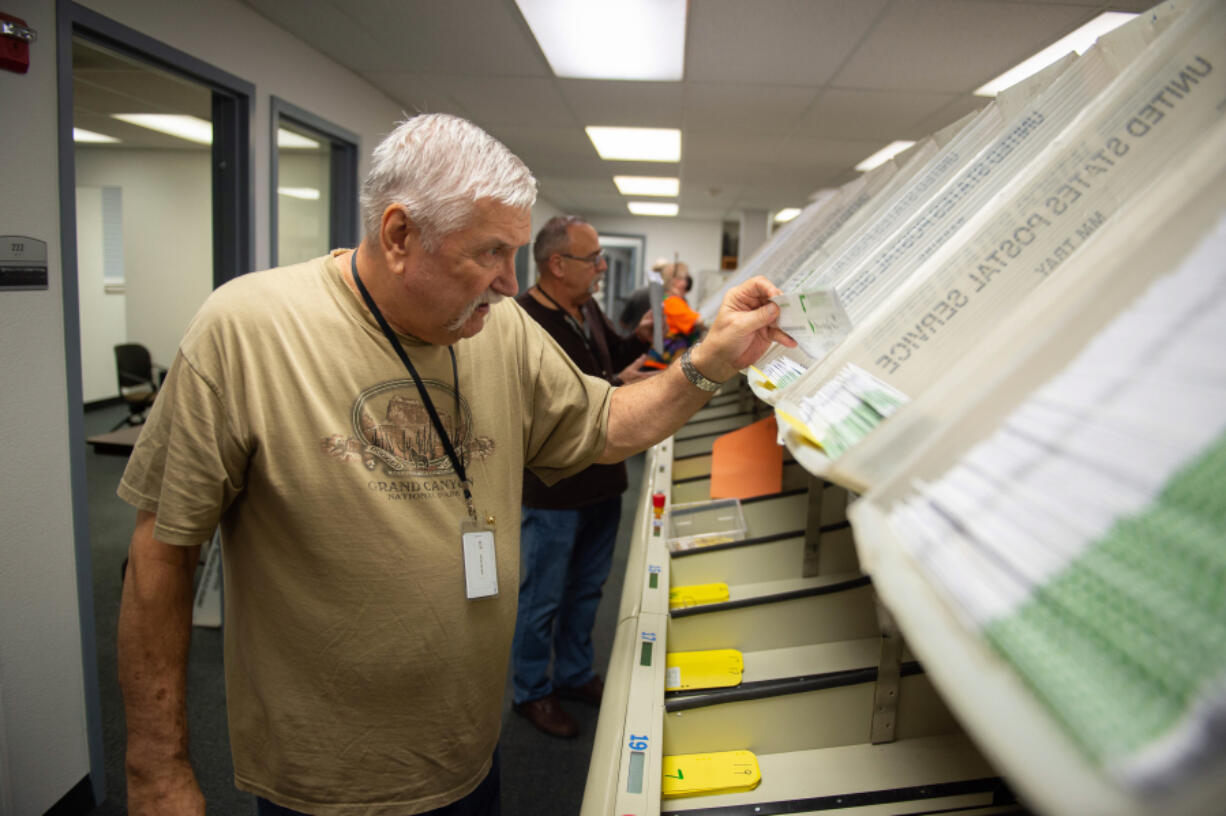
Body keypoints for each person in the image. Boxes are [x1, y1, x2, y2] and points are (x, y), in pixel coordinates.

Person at [116, 112, 794, 816]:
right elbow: (163, 549)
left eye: (517, 253)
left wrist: (708, 361)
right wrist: (155, 771)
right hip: (327, 778)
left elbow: (602, 422)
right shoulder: (248, 329)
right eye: (490, 254)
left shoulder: (498, 330)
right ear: (400, 235)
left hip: (465, 748)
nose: (509, 283)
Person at [511, 216, 655, 738]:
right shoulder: (520, 321)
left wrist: (633, 341)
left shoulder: (586, 307)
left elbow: (606, 360)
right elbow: (546, 404)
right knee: (541, 597)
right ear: (556, 264)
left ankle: (573, 674)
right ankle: (531, 691)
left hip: (604, 480)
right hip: (555, 489)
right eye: (592, 259)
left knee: (589, 588)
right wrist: (617, 383)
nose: (600, 268)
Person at [617, 257, 681, 334]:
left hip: (639, 341)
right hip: (665, 343)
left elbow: (623, 323)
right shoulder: (675, 297)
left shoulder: (638, 294)